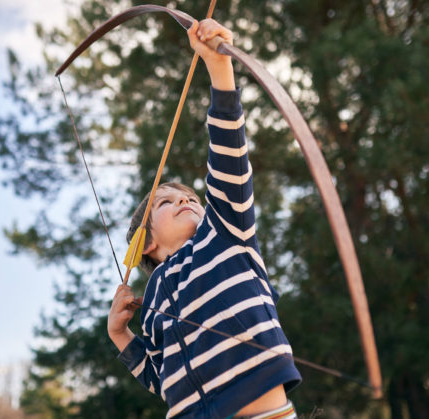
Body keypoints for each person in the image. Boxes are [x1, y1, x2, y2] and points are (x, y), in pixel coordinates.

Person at [107, 18, 301, 419]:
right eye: (166, 203)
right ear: (146, 243)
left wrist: (218, 66)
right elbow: (163, 380)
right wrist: (120, 334)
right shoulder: (155, 296)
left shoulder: (225, 233)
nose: (185, 200)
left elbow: (228, 153)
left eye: (190, 197)